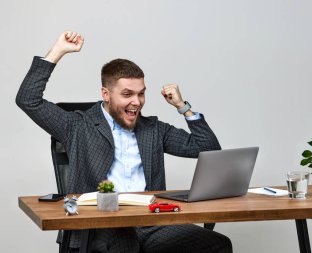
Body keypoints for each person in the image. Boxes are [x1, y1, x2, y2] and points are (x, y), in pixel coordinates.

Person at [16, 31, 232, 253]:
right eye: (127, 94)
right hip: (102, 226)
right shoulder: (78, 126)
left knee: (217, 244)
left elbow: (208, 149)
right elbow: (28, 99)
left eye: (141, 94)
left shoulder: (153, 129)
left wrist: (182, 107)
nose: (136, 102)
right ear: (106, 94)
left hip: (150, 223)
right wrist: (58, 51)